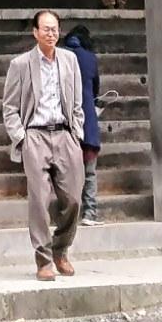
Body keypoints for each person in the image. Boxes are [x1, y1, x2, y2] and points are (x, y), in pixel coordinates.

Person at [1, 9, 86, 279]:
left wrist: (77, 133)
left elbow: (77, 102)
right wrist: (21, 137)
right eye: (46, 29)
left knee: (73, 196)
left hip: (64, 133)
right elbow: (10, 107)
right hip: (35, 135)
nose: (51, 33)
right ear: (35, 32)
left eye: (55, 29)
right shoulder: (21, 64)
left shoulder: (70, 60)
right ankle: (43, 260)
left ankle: (61, 249)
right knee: (38, 199)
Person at [60, 22, 105, 226]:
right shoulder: (89, 58)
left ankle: (66, 214)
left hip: (63, 121)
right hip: (87, 120)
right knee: (89, 171)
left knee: (66, 172)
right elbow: (95, 89)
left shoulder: (59, 55)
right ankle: (90, 212)